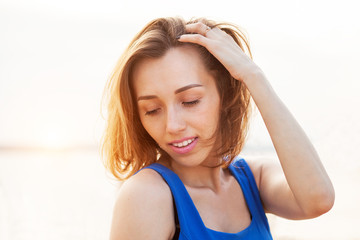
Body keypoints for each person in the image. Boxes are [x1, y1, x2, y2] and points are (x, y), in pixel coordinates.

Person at [101, 17, 335, 240]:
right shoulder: (146, 195)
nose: (172, 126)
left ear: (224, 95)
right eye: (152, 110)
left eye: (190, 101)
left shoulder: (253, 179)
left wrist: (253, 77)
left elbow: (318, 199)